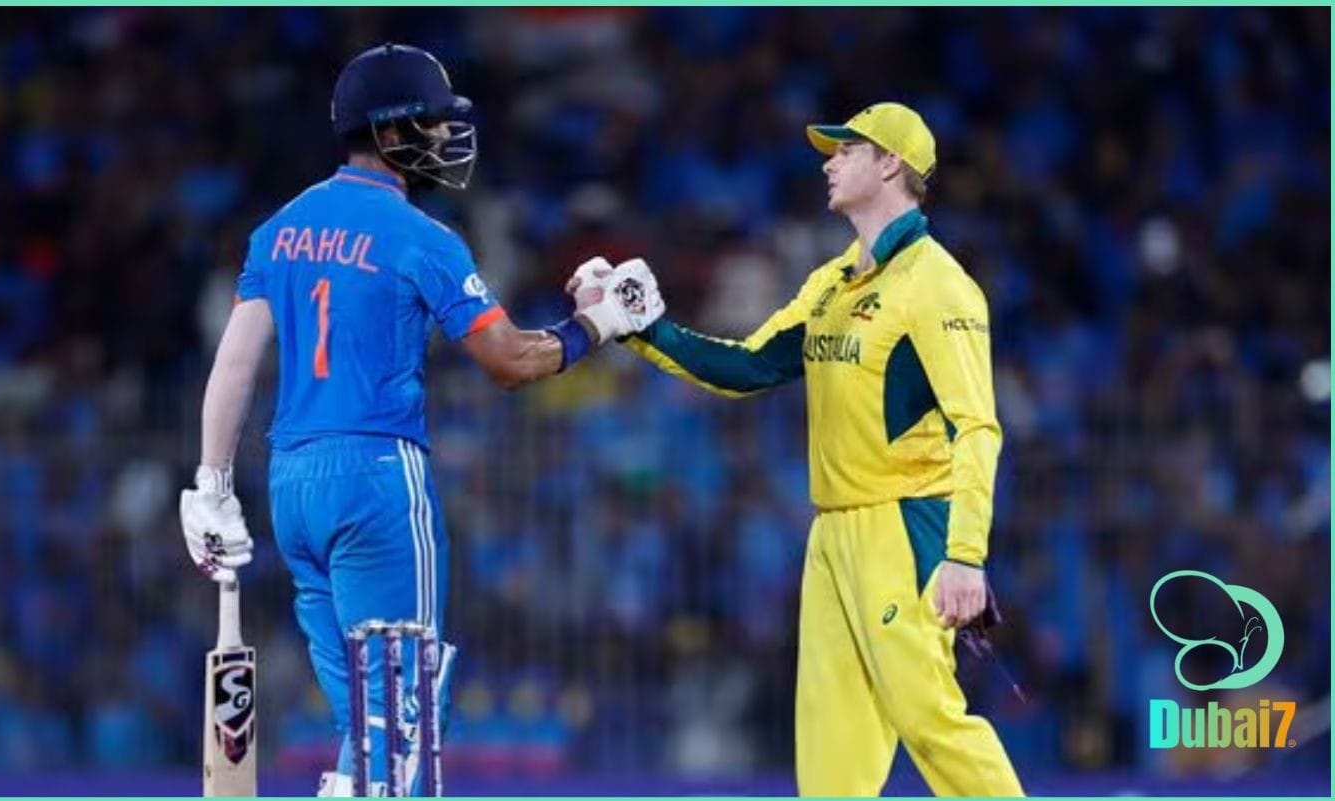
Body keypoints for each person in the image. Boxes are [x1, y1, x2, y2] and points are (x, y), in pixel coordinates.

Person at [177, 43, 662, 796]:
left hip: (293, 485)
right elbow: (508, 360)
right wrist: (597, 325)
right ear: (393, 128)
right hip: (378, 481)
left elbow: (235, 361)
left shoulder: (280, 229)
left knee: (365, 727)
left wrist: (210, 484)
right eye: (433, 122)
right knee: (404, 721)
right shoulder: (421, 238)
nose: (444, 136)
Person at [577, 102, 1023, 795]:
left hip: (905, 525)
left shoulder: (937, 284)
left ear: (891, 164)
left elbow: (977, 426)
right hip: (833, 534)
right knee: (832, 738)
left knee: (928, 716)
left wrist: (965, 553)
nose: (828, 163)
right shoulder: (833, 282)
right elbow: (750, 366)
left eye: (847, 150)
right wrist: (643, 329)